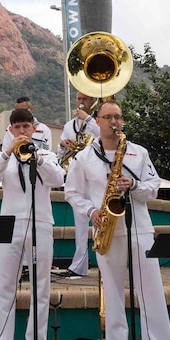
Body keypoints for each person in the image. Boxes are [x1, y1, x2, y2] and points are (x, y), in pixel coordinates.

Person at [65, 99, 170, 340]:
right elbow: (71, 193)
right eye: (108, 117)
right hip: (107, 228)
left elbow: (153, 187)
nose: (114, 122)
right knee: (113, 293)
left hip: (140, 227)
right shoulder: (84, 158)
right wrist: (91, 211)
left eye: (118, 117)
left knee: (152, 291)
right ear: (97, 121)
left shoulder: (138, 153)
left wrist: (134, 185)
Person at [0, 108, 65, 340]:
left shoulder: (46, 155)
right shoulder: (3, 157)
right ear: (10, 130)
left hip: (40, 222)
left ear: (33, 129)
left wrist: (37, 159)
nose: (21, 131)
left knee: (41, 287)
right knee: (5, 286)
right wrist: (8, 152)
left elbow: (59, 179)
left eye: (25, 127)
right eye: (17, 127)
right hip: (10, 224)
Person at [56, 94, 103, 277]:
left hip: (96, 175)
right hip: (77, 174)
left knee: (100, 221)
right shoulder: (69, 126)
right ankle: (79, 266)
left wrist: (89, 119)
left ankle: (104, 264)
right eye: (78, 99)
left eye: (85, 99)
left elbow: (103, 136)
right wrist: (63, 144)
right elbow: (60, 151)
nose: (81, 102)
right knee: (80, 225)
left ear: (93, 102)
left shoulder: (96, 122)